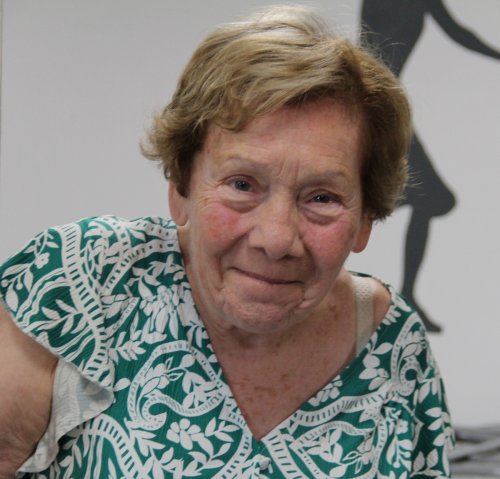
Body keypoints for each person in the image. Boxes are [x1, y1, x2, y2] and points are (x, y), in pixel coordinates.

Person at [0, 5, 453, 478]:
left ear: (365, 221)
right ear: (180, 189)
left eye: (322, 197)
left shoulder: (396, 344)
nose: (276, 239)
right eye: (242, 185)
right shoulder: (84, 278)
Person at [361, 0, 500, 332]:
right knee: (432, 198)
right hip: (376, 113)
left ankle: (404, 292)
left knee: (431, 199)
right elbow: (364, 55)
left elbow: (457, 32)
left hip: (383, 110)